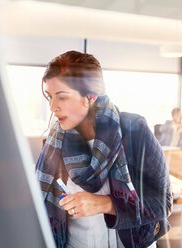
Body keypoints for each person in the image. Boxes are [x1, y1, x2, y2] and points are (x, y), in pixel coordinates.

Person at [35, 51, 172, 248]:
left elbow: (162, 204)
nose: (52, 106)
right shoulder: (53, 144)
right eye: (49, 96)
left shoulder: (134, 129)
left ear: (90, 96)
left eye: (61, 97)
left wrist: (106, 204)